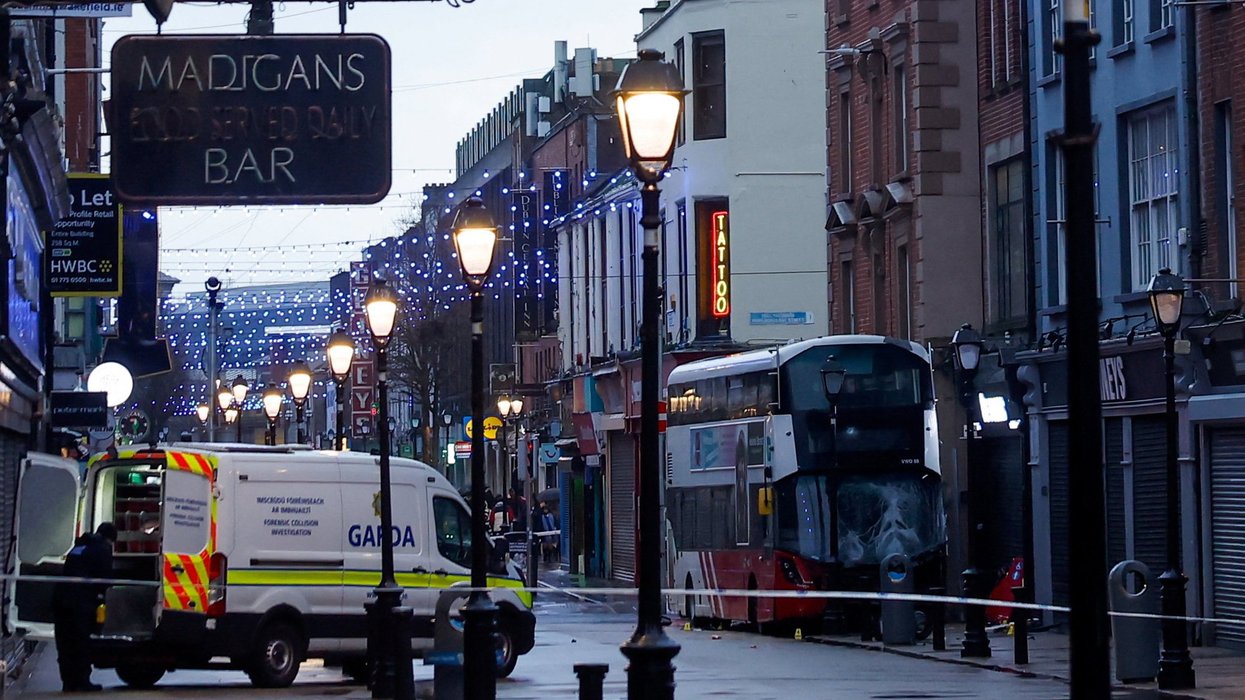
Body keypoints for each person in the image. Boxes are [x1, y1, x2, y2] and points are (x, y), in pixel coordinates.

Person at [53, 522, 117, 693]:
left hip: (62, 600)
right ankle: (82, 681)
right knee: (81, 642)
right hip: (81, 601)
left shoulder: (80, 545)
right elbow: (105, 578)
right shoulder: (102, 548)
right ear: (110, 538)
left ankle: (68, 682)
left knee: (65, 642)